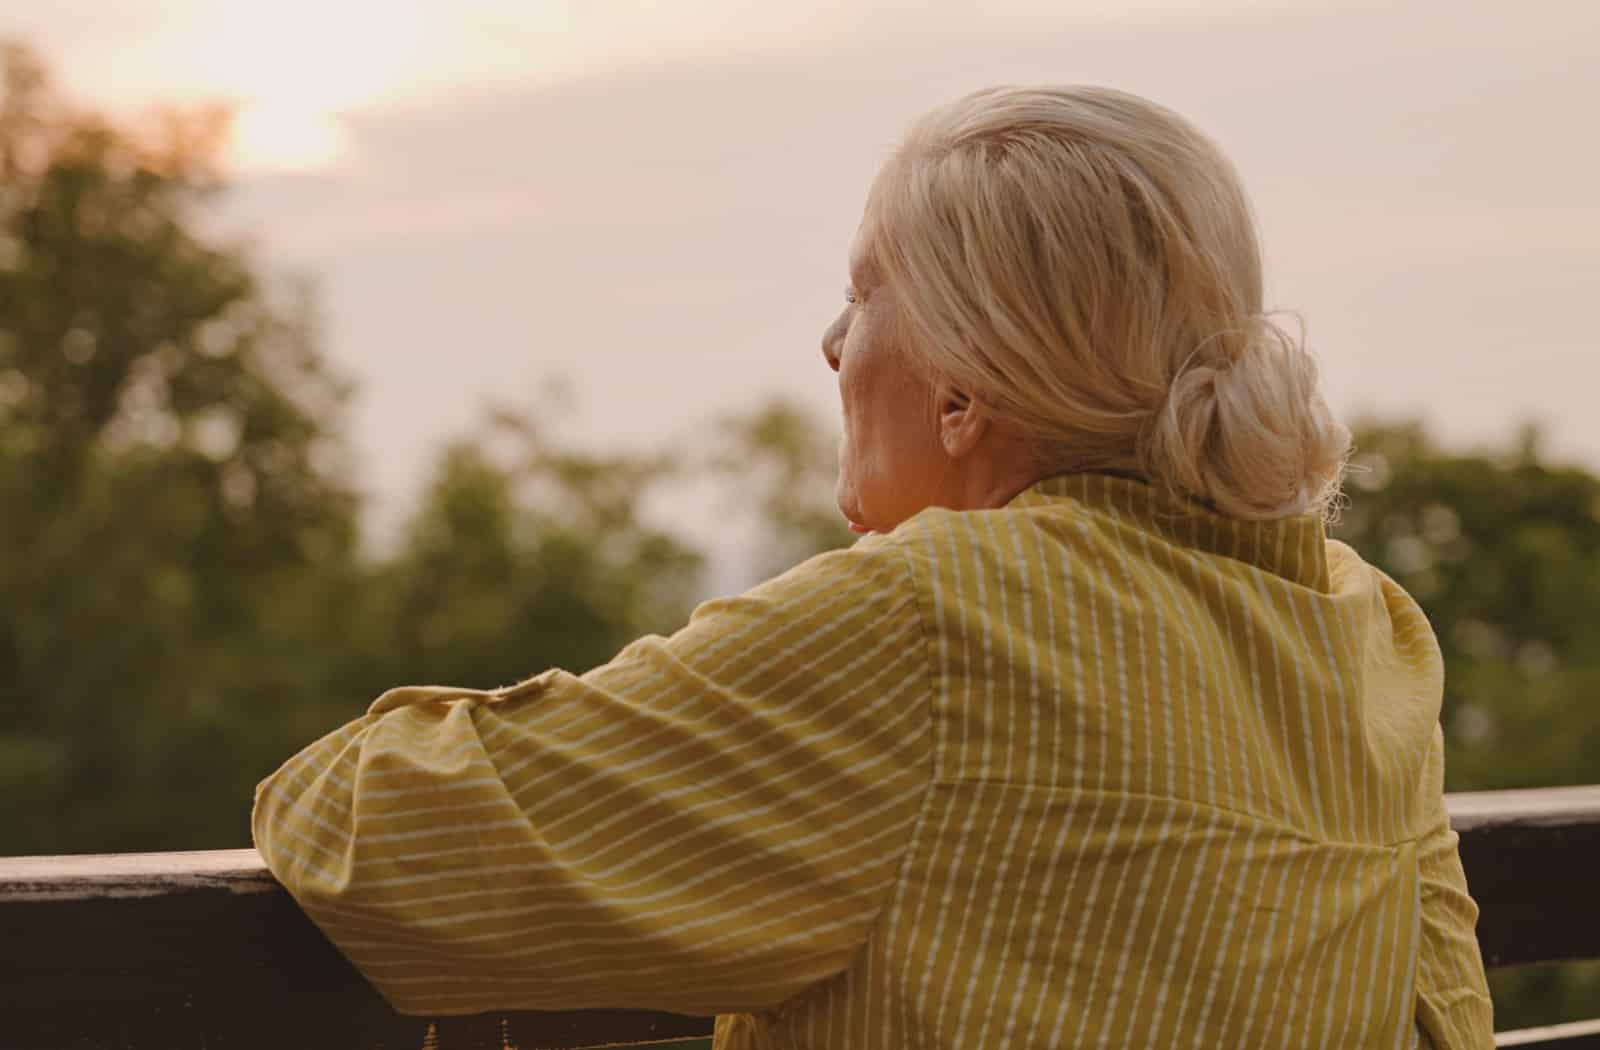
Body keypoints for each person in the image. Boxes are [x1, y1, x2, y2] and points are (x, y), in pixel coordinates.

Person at [252, 84, 1494, 1049]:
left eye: (864, 291)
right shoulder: (1361, 627)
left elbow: (375, 840)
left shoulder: (939, 624)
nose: (833, 342)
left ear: (962, 389)